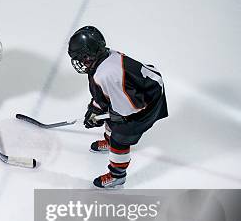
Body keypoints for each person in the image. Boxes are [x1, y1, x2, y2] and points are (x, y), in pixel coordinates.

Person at [67, 26, 168, 188]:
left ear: (92, 53)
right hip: (136, 92)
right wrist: (95, 110)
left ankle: (117, 175)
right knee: (111, 116)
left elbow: (129, 109)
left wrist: (103, 116)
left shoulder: (106, 74)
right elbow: (104, 96)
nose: (81, 62)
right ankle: (109, 141)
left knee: (120, 135)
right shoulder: (103, 60)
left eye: (83, 57)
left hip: (148, 101)